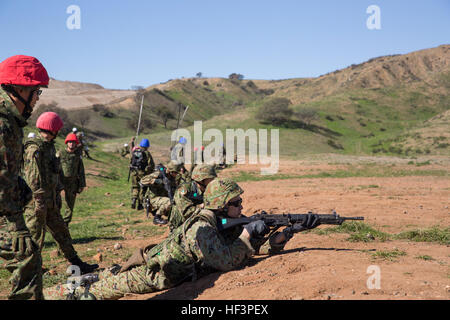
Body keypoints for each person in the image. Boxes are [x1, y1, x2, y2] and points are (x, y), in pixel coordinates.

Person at [42, 178, 320, 300]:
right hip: (155, 274)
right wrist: (248, 235)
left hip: (161, 266)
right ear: (222, 205)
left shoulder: (220, 222)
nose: (242, 206)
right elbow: (227, 260)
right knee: (96, 291)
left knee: (105, 275)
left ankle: (83, 279)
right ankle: (45, 295)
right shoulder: (204, 227)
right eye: (237, 202)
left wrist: (283, 234)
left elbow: (246, 248)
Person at [23, 111, 98, 274]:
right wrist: (39, 202)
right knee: (35, 237)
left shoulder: (49, 147)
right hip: (37, 203)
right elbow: (33, 179)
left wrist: (56, 194)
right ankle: (29, 271)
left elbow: (53, 174)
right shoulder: (34, 148)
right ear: (52, 129)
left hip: (50, 201)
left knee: (62, 232)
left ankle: (76, 263)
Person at [0, 55, 47, 300]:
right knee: (26, 256)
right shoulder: (3, 124)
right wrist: (17, 225)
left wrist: (20, 186)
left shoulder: (10, 122)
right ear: (18, 89)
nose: (37, 98)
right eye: (35, 91)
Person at [168, 164, 217, 231]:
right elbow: (187, 212)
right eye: (210, 179)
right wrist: (203, 206)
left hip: (199, 221)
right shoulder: (183, 190)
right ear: (201, 179)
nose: (213, 181)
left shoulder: (209, 189)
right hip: (181, 226)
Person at [140, 160, 187, 225]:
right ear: (171, 171)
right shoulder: (159, 174)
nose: (177, 175)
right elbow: (143, 180)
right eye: (176, 173)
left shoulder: (172, 178)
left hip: (163, 199)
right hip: (152, 199)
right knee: (169, 202)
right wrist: (156, 181)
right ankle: (157, 218)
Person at [57, 133, 86, 226]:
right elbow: (53, 166)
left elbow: (81, 171)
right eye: (70, 142)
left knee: (70, 204)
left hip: (72, 183)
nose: (71, 144)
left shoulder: (77, 156)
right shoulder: (60, 153)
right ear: (67, 143)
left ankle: (65, 223)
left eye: (73, 142)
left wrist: (82, 184)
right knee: (56, 202)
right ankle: (56, 221)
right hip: (60, 181)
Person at [129, 138, 155, 210]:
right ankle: (140, 204)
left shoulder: (135, 151)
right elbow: (151, 165)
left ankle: (134, 199)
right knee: (143, 188)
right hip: (142, 173)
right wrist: (148, 172)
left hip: (134, 172)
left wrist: (132, 142)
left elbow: (130, 160)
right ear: (147, 146)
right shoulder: (146, 153)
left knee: (135, 187)